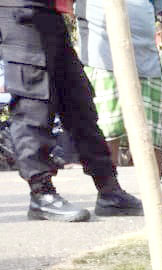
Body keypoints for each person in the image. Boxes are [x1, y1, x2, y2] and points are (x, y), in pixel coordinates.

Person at [0, 0, 143, 221]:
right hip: (20, 11)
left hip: (50, 12)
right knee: (34, 104)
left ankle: (108, 189)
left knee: (79, 102)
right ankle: (41, 194)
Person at [75, 0, 162, 205]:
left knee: (151, 132)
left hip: (146, 61)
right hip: (103, 60)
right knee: (108, 129)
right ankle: (109, 190)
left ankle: (153, 190)